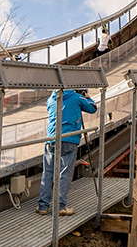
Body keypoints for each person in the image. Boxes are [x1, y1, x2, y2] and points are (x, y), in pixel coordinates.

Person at [37, 88, 97, 216]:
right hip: (69, 140)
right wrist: (87, 97)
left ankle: (42, 206)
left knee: (47, 173)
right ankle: (60, 206)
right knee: (64, 173)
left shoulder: (51, 98)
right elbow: (92, 108)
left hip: (51, 139)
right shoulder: (77, 97)